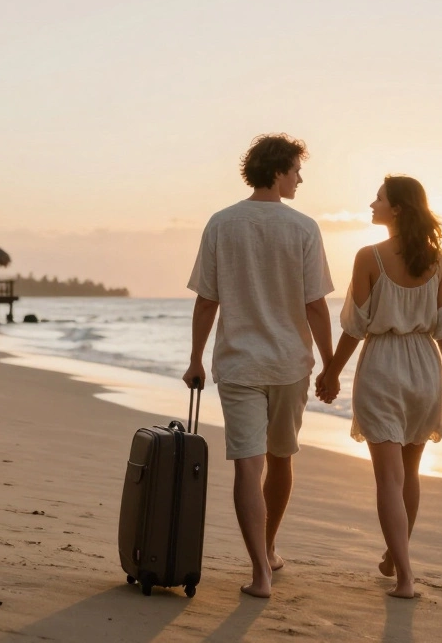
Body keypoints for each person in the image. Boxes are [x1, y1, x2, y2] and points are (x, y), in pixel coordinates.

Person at [183, 133, 335, 598]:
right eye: (295, 170)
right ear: (277, 171)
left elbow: (208, 301)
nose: (300, 178)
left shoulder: (221, 223)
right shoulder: (304, 227)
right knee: (281, 459)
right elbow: (316, 306)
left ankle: (260, 573)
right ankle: (269, 547)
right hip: (290, 364)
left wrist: (194, 359)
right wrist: (331, 365)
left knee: (248, 467)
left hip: (239, 365)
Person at [316, 175, 442, 599]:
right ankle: (394, 557)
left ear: (397, 208)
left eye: (379, 198)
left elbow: (355, 329)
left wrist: (331, 373)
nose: (372, 203)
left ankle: (405, 577)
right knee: (409, 474)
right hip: (424, 369)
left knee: (388, 478)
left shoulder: (369, 257)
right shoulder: (438, 260)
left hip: (383, 366)